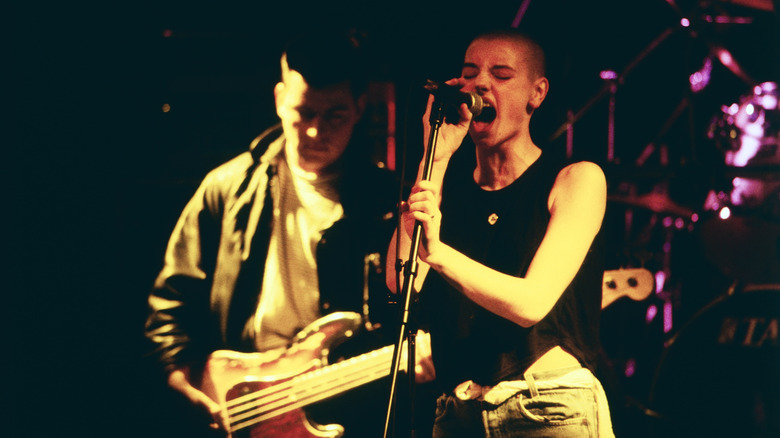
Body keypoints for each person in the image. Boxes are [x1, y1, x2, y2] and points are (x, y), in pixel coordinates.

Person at [144, 30, 397, 437]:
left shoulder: (384, 201)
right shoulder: (226, 187)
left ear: (359, 108)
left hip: (338, 400)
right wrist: (178, 377)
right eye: (304, 112)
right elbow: (171, 300)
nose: (315, 131)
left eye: (334, 115)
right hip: (240, 399)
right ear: (280, 100)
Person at [387, 29, 615, 437]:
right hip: (458, 414)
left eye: (501, 74)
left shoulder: (576, 180)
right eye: (470, 73)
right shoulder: (446, 191)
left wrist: (438, 253)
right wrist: (434, 158)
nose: (480, 85)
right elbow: (402, 279)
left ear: (537, 93)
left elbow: (531, 302)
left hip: (547, 406)